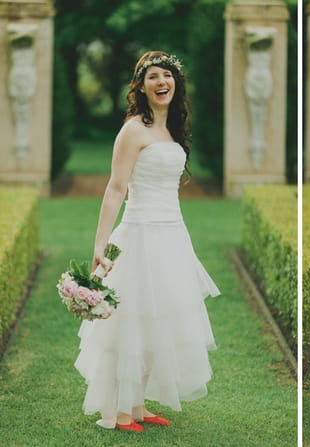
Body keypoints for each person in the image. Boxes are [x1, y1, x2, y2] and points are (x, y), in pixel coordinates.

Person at [74, 51, 220, 432]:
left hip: (173, 235)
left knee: (162, 321)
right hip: (140, 235)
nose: (162, 82)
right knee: (131, 322)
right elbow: (115, 188)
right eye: (153, 76)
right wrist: (100, 245)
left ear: (176, 83)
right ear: (140, 86)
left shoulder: (172, 128)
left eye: (167, 76)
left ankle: (137, 406)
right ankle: (119, 411)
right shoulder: (132, 130)